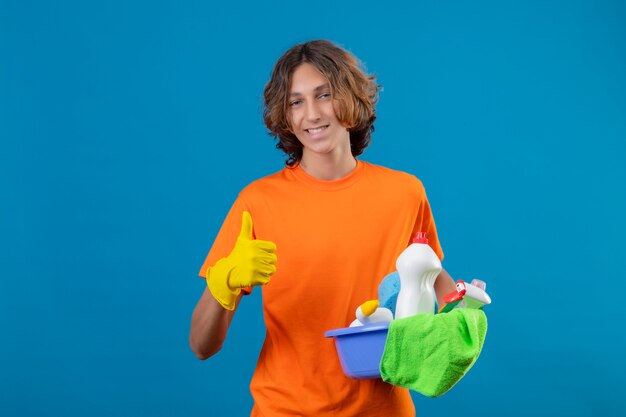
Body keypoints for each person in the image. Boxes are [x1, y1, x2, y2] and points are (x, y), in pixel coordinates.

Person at [190, 39, 457, 417]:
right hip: (283, 410)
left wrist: (464, 314)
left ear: (351, 97)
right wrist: (224, 284)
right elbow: (202, 346)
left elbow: (435, 285)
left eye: (324, 95)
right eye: (296, 102)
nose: (312, 114)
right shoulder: (257, 203)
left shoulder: (404, 193)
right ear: (285, 115)